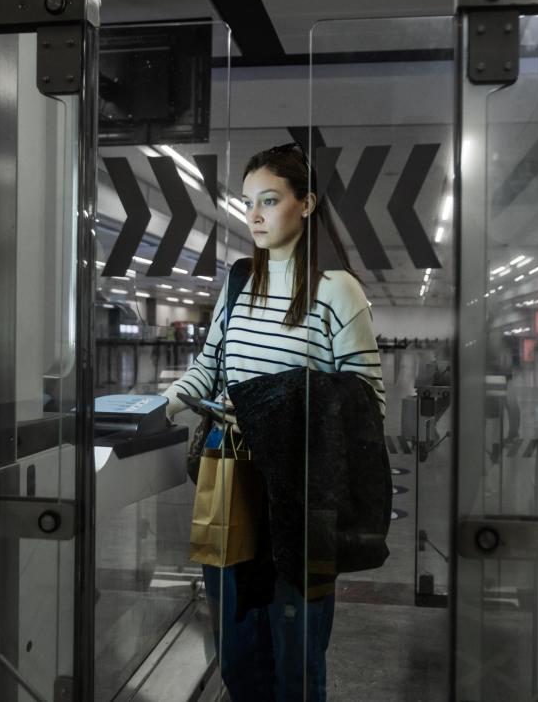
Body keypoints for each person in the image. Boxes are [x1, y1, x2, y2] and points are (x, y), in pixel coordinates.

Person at [162, 142, 384, 701]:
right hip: (234, 475)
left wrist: (277, 402)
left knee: (296, 653)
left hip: (300, 490)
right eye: (248, 203)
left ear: (305, 204)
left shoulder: (338, 290)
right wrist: (161, 404)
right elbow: (209, 366)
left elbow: (367, 403)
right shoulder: (238, 282)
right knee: (238, 653)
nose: (255, 215)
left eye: (270, 200)